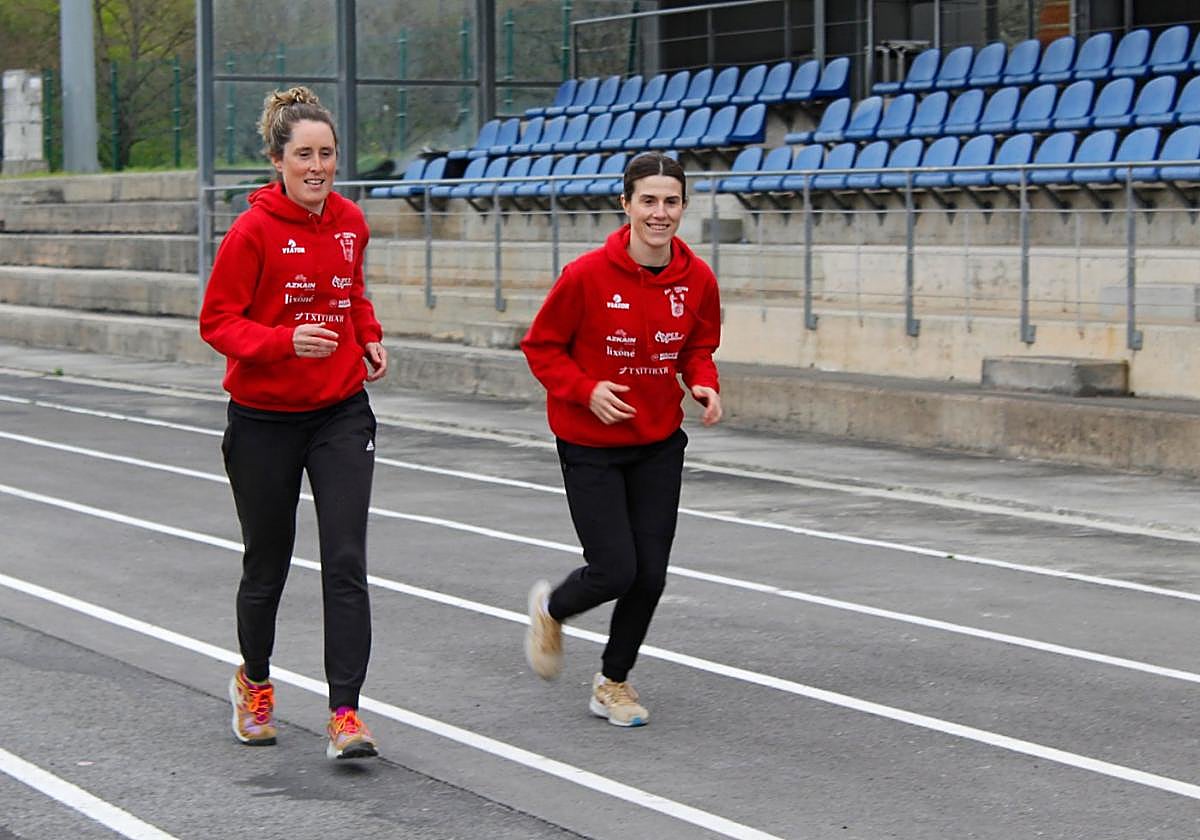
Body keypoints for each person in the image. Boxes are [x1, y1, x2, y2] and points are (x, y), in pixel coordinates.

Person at [199, 86, 388, 760]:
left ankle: (346, 715)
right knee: (268, 563)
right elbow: (216, 321)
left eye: (328, 154)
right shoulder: (252, 231)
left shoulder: (351, 223)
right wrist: (283, 342)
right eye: (304, 154)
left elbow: (352, 294)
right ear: (278, 160)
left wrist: (368, 336)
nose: (318, 166)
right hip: (264, 419)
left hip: (339, 411)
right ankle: (253, 684)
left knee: (345, 561)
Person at [520, 151, 722, 727]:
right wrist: (585, 390)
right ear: (626, 204)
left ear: (684, 207)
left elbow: (697, 347)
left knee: (650, 574)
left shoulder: (698, 279)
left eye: (671, 202)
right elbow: (542, 348)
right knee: (615, 569)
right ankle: (551, 608)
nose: (660, 213)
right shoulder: (585, 275)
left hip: (658, 440)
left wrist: (703, 384)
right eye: (649, 200)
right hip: (590, 444)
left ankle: (613, 682)